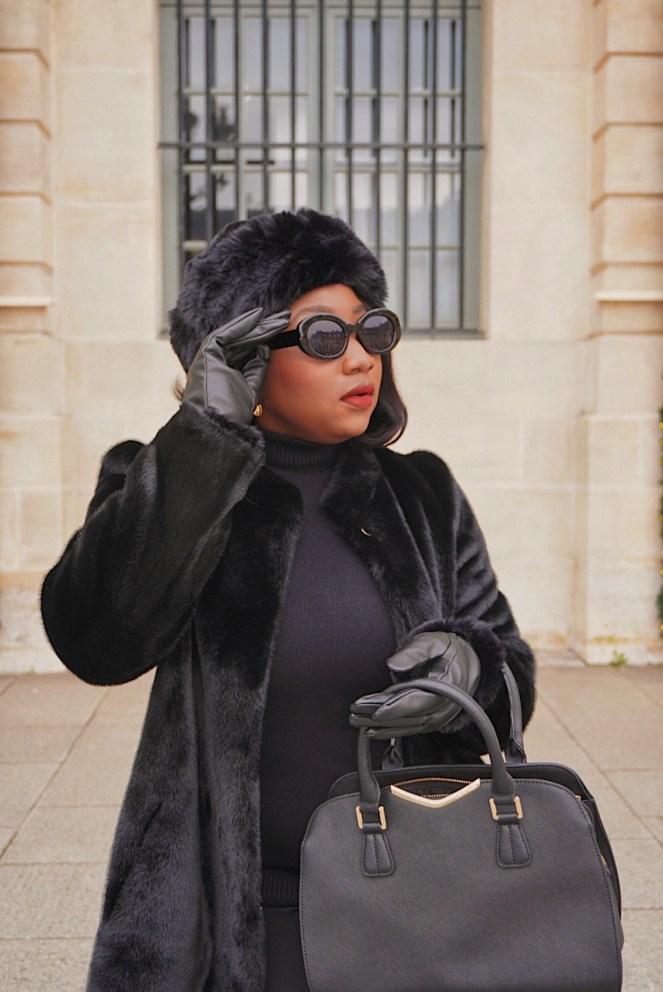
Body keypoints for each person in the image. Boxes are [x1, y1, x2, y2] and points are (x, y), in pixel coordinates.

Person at [40, 208, 536, 992]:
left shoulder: (422, 492)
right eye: (323, 337)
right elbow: (95, 641)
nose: (361, 358)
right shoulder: (167, 483)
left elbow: (509, 671)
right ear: (243, 359)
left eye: (370, 328)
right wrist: (202, 440)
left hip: (415, 904)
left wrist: (468, 668)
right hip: (234, 919)